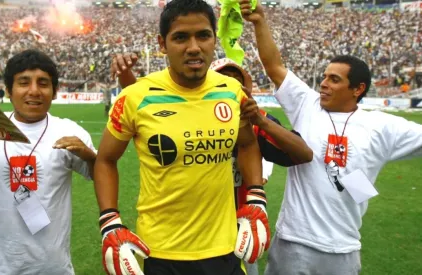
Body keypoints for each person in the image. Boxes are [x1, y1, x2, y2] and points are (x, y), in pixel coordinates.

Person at [238, 1, 422, 274]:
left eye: (334, 79)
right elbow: (274, 67)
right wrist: (260, 22)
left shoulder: (381, 126)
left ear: (358, 89)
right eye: (324, 77)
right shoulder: (307, 104)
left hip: (343, 248)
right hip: (293, 242)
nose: (323, 83)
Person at [94, 0, 271, 274]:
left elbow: (247, 145)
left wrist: (256, 197)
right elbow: (105, 160)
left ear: (214, 39)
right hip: (162, 251)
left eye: (203, 35)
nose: (194, 47)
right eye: (180, 37)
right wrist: (110, 221)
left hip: (225, 247)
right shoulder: (135, 96)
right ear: (162, 44)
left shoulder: (232, 90)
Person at [112, 53, 313, 275]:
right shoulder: (187, 117)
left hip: (243, 227)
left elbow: (302, 154)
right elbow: (146, 106)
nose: (229, 86)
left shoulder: (255, 121)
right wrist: (126, 76)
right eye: (223, 78)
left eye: (237, 81)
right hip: (180, 236)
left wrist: (261, 121)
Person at [0, 49, 98, 275]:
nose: (34, 91)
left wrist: (89, 156)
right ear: (9, 90)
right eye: (24, 82)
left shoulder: (70, 131)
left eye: (43, 83)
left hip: (51, 269)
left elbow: (100, 174)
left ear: (54, 92)